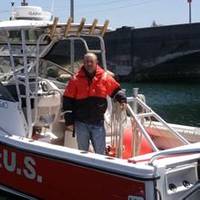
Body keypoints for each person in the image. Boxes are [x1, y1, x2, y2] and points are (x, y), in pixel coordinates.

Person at [63, 53, 127, 155]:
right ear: (83, 63)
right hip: (81, 123)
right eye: (86, 62)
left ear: (96, 63)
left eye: (91, 61)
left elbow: (116, 90)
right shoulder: (75, 80)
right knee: (82, 152)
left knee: (100, 153)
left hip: (98, 122)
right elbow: (67, 101)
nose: (89, 64)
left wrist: (122, 100)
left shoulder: (105, 77)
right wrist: (69, 121)